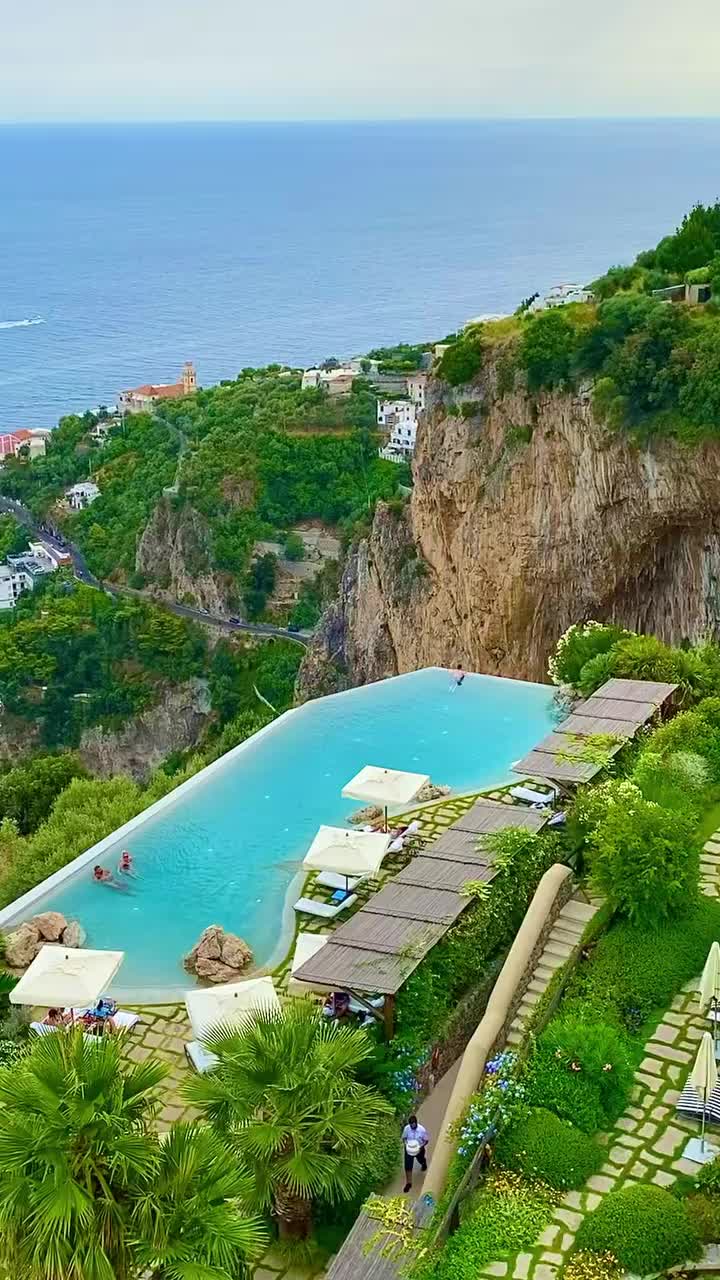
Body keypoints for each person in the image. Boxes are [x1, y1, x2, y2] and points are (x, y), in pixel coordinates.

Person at [402, 1114, 429, 1193]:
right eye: (411, 1125)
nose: (412, 1127)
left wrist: (421, 1147)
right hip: (409, 1149)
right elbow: (404, 1138)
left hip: (419, 1148)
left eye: (413, 1125)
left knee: (420, 1159)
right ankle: (408, 1183)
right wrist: (406, 1144)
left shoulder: (422, 1130)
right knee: (408, 1166)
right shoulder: (406, 1129)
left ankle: (423, 1163)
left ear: (416, 1123)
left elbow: (426, 1140)